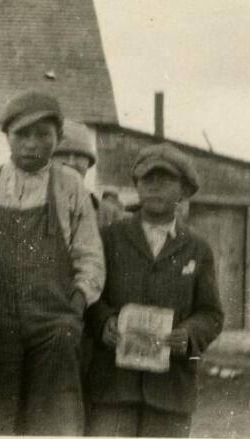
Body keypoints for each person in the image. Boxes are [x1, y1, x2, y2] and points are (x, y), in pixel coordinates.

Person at [0, 91, 105, 435]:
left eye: (43, 135)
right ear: (7, 136)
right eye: (23, 135)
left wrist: (76, 305)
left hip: (52, 327)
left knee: (53, 424)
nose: (32, 145)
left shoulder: (71, 187)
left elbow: (90, 256)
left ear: (58, 138)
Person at [85, 143, 224, 437]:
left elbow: (211, 314)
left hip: (171, 392)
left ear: (184, 191)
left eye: (167, 180)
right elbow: (91, 296)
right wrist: (104, 322)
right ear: (136, 186)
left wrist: (188, 335)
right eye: (148, 179)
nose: (156, 187)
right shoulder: (110, 238)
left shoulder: (198, 249)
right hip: (114, 388)